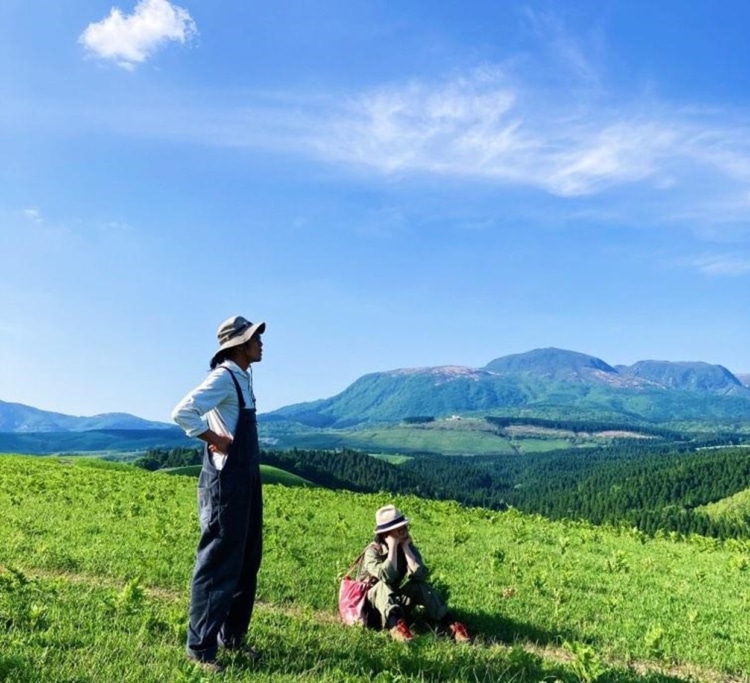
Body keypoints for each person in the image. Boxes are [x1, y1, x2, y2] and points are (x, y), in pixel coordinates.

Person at [171, 314, 266, 673]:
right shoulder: (224, 377)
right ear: (238, 345)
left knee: (246, 560)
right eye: (255, 337)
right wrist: (214, 438)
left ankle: (233, 639)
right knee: (217, 563)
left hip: (246, 482)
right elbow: (182, 412)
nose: (260, 342)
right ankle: (199, 648)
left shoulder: (242, 378)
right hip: (226, 485)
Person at [357, 504, 470, 643]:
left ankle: (450, 624)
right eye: (400, 529)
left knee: (419, 586)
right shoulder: (373, 551)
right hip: (372, 608)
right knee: (383, 586)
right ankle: (396, 628)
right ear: (387, 533)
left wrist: (405, 548)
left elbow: (420, 575)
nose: (405, 531)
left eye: (405, 527)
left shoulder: (405, 546)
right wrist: (392, 547)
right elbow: (387, 577)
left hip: (392, 602)